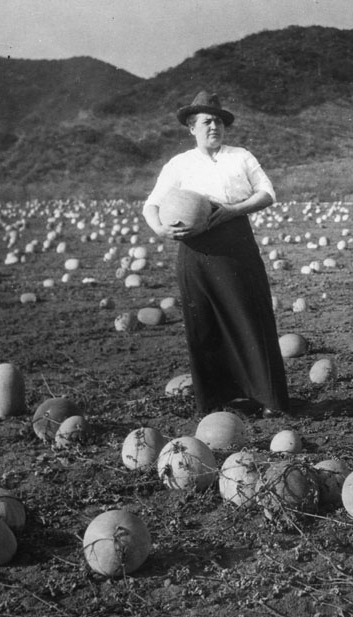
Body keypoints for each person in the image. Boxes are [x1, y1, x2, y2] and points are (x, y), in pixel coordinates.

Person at [143, 90, 289, 418]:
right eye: (207, 121)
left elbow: (267, 193)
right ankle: (218, 401)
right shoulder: (179, 164)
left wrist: (233, 210)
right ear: (191, 128)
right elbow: (151, 203)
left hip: (235, 240)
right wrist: (161, 230)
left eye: (219, 121)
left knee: (249, 316)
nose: (215, 127)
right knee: (204, 324)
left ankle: (266, 398)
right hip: (195, 248)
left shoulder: (241, 156)